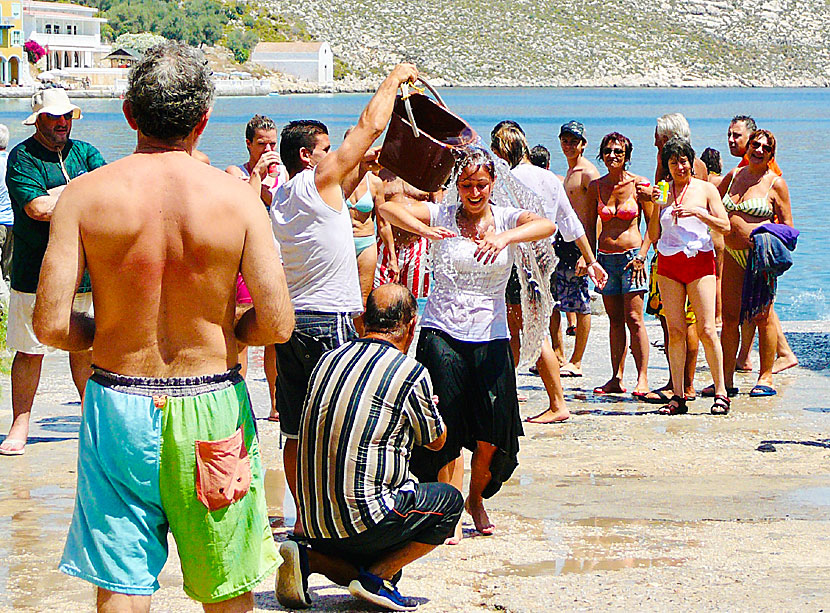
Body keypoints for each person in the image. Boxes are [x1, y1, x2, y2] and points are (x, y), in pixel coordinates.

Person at [33, 41, 294, 611]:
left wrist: (104, 335)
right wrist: (232, 332)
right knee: (226, 583)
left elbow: (50, 325)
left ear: (129, 115)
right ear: (204, 121)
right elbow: (276, 323)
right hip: (213, 405)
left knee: (122, 588)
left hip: (118, 403)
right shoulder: (238, 200)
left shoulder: (83, 197)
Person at [270, 63, 420, 537]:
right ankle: (339, 518)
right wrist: (394, 80)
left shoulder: (284, 195)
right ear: (306, 157)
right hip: (327, 323)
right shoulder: (314, 182)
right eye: (326, 150)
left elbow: (336, 200)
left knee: (295, 429)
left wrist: (362, 166)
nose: (334, 155)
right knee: (343, 420)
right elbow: (367, 125)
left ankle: (301, 521)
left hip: (290, 324)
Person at [379, 147, 555, 541]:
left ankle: (476, 497)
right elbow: (388, 207)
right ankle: (452, 505)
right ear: (456, 185)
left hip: (490, 334)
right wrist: (423, 231)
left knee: (493, 428)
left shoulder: (506, 217)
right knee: (447, 426)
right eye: (465, 185)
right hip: (441, 330)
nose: (473, 192)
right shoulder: (442, 213)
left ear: (492, 184)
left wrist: (506, 236)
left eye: (480, 185)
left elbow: (545, 225)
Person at [277, 284, 461, 611]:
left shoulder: (329, 359)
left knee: (375, 542)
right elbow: (437, 442)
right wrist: (430, 409)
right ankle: (377, 576)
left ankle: (310, 559)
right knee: (448, 503)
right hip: (363, 522)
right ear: (411, 325)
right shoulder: (409, 372)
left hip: (314, 520)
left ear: (364, 321)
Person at [0, 88, 104, 457]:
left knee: (87, 346)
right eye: (54, 117)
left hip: (87, 269)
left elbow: (108, 193)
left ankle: (91, 421)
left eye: (67, 116)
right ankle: (20, 423)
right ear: (38, 119)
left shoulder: (87, 152)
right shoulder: (22, 157)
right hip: (36, 270)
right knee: (29, 349)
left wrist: (63, 192)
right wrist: (80, 193)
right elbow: (37, 207)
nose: (62, 123)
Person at [491, 121, 606, 424]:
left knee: (526, 331)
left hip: (516, 263)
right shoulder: (549, 178)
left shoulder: (506, 180)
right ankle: (505, 395)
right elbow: (571, 224)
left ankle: (556, 403)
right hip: (544, 263)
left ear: (501, 149)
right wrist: (591, 260)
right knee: (526, 329)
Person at [647, 137, 731, 415]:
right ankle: (678, 395)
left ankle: (721, 392)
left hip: (700, 261)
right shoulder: (662, 190)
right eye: (674, 162)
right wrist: (654, 206)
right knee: (676, 330)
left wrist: (698, 213)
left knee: (707, 329)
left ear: (691, 162)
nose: (679, 167)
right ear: (667, 166)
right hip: (669, 263)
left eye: (683, 161)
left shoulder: (706, 189)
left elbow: (725, 226)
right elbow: (654, 232)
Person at [713, 129, 793, 397]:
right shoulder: (734, 176)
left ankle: (766, 376)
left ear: (771, 154)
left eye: (765, 148)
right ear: (748, 148)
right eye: (755, 145)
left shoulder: (775, 184)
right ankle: (725, 380)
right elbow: (710, 199)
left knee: (763, 316)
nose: (759, 150)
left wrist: (764, 237)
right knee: (730, 318)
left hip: (760, 259)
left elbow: (789, 228)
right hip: (732, 255)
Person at [225, 114, 283, 421]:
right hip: (244, 262)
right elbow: (244, 202)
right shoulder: (236, 172)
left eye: (273, 143)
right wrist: (258, 174)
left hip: (276, 259)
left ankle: (275, 404)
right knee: (242, 334)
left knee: (273, 334)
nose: (268, 149)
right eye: (262, 143)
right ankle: (240, 403)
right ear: (249, 144)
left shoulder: (284, 174)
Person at [586, 132, 652, 396]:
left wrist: (642, 256)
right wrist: (589, 259)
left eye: (618, 152)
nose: (612, 156)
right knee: (615, 320)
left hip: (631, 257)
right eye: (608, 151)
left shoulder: (639, 185)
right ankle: (616, 377)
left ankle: (643, 377)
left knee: (635, 318)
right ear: (601, 154)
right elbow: (589, 226)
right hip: (605, 258)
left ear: (627, 156)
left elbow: (652, 225)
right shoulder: (596, 187)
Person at [644, 113, 704, 403]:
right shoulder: (665, 166)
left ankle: (686, 384)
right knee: (671, 320)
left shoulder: (691, 167)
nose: (655, 141)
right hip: (667, 252)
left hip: (690, 255)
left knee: (686, 321)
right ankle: (675, 381)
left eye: (659, 137)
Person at [556, 120, 603, 376]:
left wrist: (590, 256)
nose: (569, 145)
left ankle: (577, 360)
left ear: (583, 144)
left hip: (581, 248)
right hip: (564, 245)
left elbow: (596, 216)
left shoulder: (587, 173)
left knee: (582, 304)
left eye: (574, 141)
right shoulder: (569, 172)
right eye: (565, 140)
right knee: (557, 301)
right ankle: (559, 354)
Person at [343, 129, 395, 334]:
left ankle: (362, 341)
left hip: (365, 242)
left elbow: (383, 223)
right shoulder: (335, 178)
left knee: (362, 303)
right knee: (340, 300)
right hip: (342, 243)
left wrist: (392, 256)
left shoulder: (374, 182)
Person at [374, 169, 438, 300]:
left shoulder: (429, 173)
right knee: (380, 299)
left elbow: (439, 213)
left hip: (417, 245)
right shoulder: (379, 173)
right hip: (385, 244)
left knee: (411, 301)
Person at [0, 123, 13, 308]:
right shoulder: (14, 160)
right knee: (8, 272)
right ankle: (10, 309)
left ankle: (4, 305)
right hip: (15, 222)